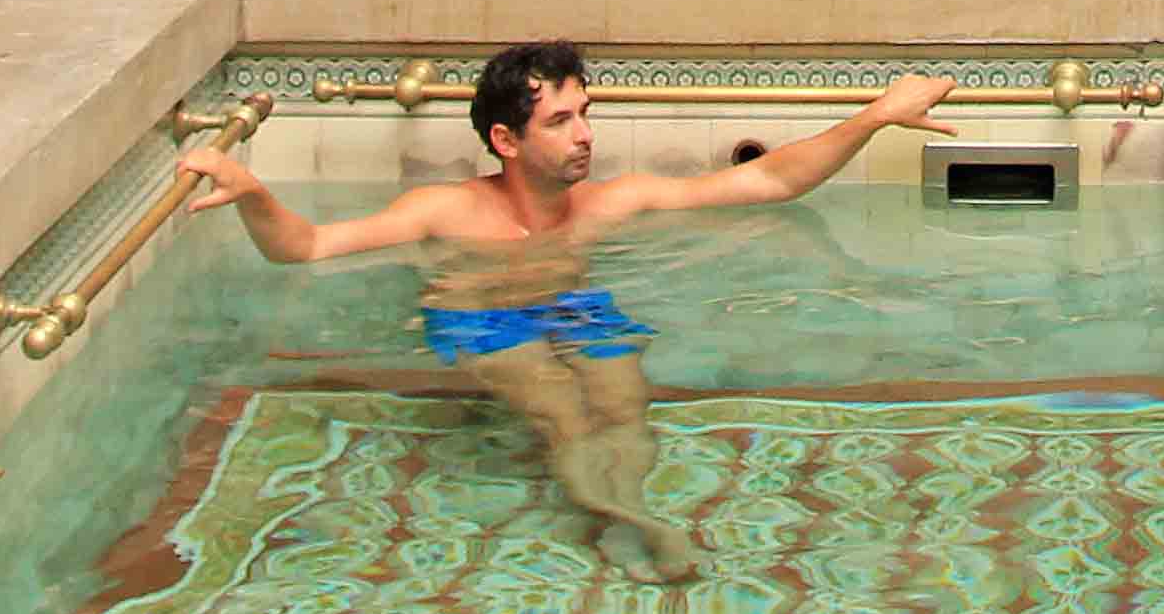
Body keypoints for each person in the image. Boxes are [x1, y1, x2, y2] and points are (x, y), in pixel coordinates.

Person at [175, 38, 953, 576]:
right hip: (480, 318)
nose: (584, 136)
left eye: (585, 114)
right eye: (560, 121)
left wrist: (875, 116)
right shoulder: (445, 211)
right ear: (507, 140)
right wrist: (253, 193)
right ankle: (632, 522)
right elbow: (307, 246)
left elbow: (771, 181)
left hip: (575, 306)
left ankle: (628, 502)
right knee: (562, 410)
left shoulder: (606, 204)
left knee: (624, 404)